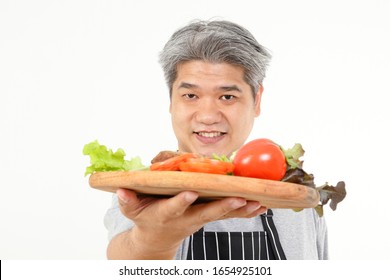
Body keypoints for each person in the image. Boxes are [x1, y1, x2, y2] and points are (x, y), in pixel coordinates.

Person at [104, 20, 328, 260]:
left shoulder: (295, 198)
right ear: (171, 101)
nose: (208, 116)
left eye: (227, 96)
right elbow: (123, 257)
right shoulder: (142, 192)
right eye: (190, 95)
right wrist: (154, 240)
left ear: (256, 100)